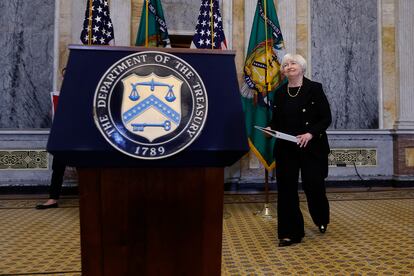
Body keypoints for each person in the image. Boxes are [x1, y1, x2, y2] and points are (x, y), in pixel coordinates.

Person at [269, 53, 332, 247]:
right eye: (285, 65)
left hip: (311, 146)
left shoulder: (314, 88)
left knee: (313, 185)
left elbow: (325, 118)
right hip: (286, 147)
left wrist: (310, 134)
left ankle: (321, 217)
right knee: (286, 190)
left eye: (293, 63)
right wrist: (271, 128)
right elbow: (277, 121)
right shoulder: (279, 93)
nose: (289, 66)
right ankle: (290, 233)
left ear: (302, 67)